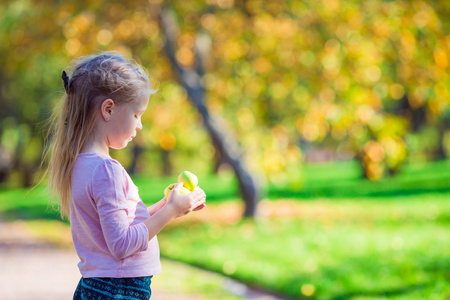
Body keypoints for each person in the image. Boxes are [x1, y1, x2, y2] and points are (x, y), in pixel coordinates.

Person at [46, 52, 206, 299]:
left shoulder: (80, 164)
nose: (140, 125)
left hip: (99, 287)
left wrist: (166, 205)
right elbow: (121, 245)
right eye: (136, 114)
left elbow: (120, 223)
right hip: (119, 289)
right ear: (108, 109)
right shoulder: (107, 171)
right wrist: (170, 211)